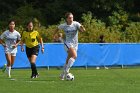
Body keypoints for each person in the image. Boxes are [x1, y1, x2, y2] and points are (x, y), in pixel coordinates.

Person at [54, 12, 85, 80]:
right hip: (68, 43)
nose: (71, 19)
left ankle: (62, 75)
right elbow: (57, 28)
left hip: (75, 44)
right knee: (74, 56)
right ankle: (67, 71)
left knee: (68, 61)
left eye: (72, 17)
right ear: (67, 19)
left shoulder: (76, 23)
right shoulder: (64, 25)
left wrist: (82, 29)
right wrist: (54, 35)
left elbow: (82, 30)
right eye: (70, 18)